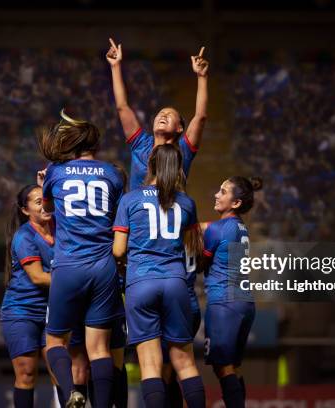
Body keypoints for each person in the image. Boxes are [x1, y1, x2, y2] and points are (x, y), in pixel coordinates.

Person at [38, 110, 125, 408]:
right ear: (96, 146)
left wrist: (46, 181)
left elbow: (47, 208)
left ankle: (70, 393)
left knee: (55, 342)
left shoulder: (56, 171)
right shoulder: (113, 174)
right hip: (103, 267)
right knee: (99, 349)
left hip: (68, 265)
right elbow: (114, 212)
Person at [112, 144, 205, 408]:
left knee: (150, 365)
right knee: (184, 362)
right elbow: (192, 248)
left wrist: (124, 263)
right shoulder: (187, 202)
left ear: (150, 164)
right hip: (175, 282)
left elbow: (118, 249)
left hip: (140, 281)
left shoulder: (130, 200)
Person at [106, 38, 209, 190]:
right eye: (161, 113)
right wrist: (115, 66)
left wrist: (202, 77)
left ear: (180, 128)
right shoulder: (140, 144)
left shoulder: (183, 150)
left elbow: (200, 116)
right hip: (138, 213)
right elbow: (122, 107)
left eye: (169, 114)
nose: (163, 115)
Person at [1, 183, 63, 408]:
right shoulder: (24, 237)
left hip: (53, 311)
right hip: (21, 311)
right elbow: (38, 277)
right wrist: (74, 281)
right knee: (27, 373)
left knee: (61, 370)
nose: (45, 205)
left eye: (46, 200)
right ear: (25, 210)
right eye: (38, 202)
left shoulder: (61, 226)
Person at [201, 177, 261, 408]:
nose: (216, 195)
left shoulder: (217, 229)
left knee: (223, 367)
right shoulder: (239, 226)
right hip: (245, 302)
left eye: (223, 191)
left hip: (224, 302)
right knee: (233, 367)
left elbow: (201, 263)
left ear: (235, 203)